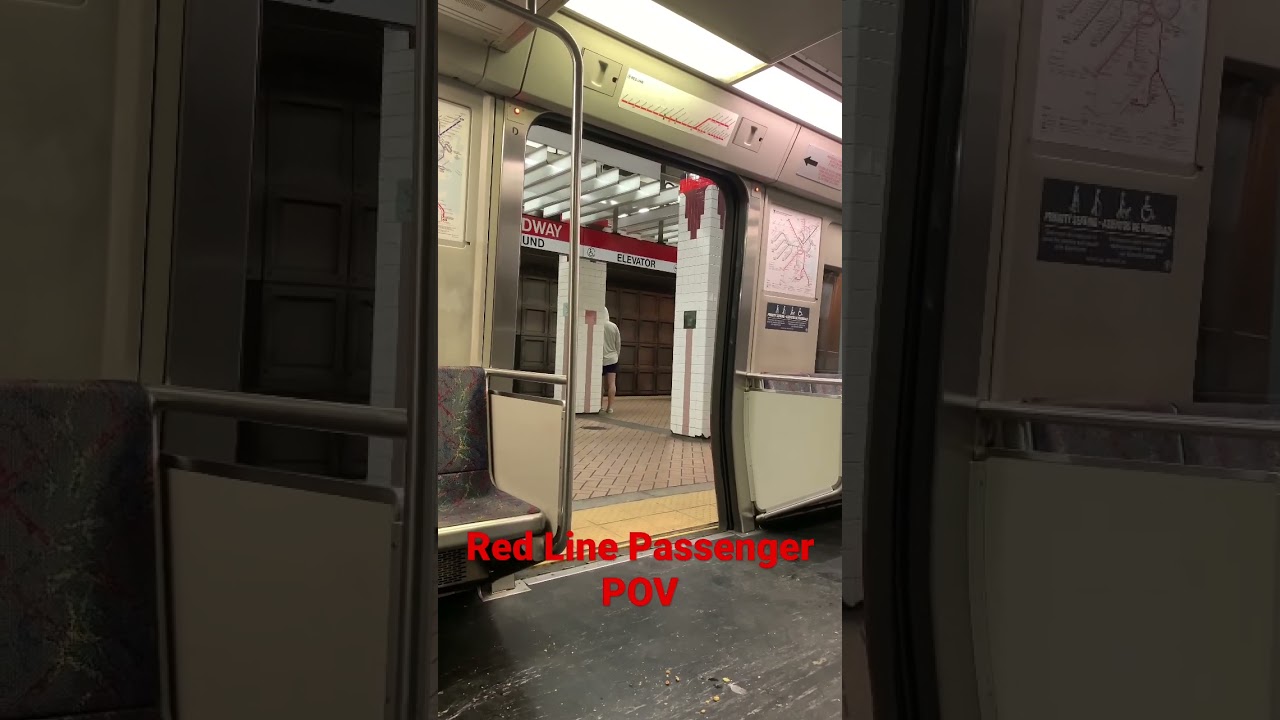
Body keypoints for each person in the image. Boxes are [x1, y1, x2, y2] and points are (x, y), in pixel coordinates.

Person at [601, 308, 620, 414]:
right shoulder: (613, 326)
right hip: (612, 359)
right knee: (612, 384)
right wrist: (616, 355)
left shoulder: (598, 326)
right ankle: (610, 407)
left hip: (600, 359)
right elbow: (618, 343)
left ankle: (599, 406)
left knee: (600, 385)